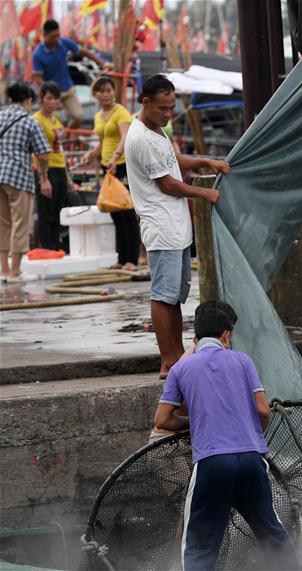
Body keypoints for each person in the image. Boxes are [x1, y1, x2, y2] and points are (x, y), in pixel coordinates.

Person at [153, 300, 298, 570]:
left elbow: (161, 420)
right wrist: (255, 438)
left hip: (212, 462)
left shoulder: (181, 369)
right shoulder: (243, 360)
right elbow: (263, 410)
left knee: (198, 548)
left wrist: (196, 421)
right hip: (251, 461)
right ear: (226, 335)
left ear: (195, 337)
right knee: (273, 535)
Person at [124, 74, 229, 379]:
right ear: (146, 102)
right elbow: (167, 183)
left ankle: (176, 353)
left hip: (175, 226)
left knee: (174, 297)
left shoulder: (156, 130)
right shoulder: (141, 137)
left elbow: (174, 161)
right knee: (162, 295)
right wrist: (204, 193)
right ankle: (168, 359)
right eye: (162, 108)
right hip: (162, 225)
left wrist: (206, 161)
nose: (168, 114)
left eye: (171, 107)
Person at [79, 77, 140, 271]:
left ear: (114, 92)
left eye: (109, 90)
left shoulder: (120, 112)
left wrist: (115, 157)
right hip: (108, 167)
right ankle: (121, 258)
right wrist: (90, 154)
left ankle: (132, 258)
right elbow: (103, 142)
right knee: (114, 212)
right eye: (101, 91)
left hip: (121, 165)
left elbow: (125, 137)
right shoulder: (98, 116)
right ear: (95, 94)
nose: (106, 94)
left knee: (127, 212)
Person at [0, 83, 51, 283]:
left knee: (2, 224)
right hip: (18, 177)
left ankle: (3, 270)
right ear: (28, 101)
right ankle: (15, 272)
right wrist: (43, 172)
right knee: (20, 224)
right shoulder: (29, 122)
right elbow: (43, 153)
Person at [31, 19, 112, 129]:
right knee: (50, 123)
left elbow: (84, 52)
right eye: (53, 36)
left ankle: (65, 139)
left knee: (78, 118)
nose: (56, 39)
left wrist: (102, 63)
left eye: (58, 35)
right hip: (52, 94)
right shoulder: (38, 54)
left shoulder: (64, 42)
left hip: (68, 89)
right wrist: (50, 97)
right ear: (45, 35)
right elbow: (38, 79)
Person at [32, 81, 68, 251]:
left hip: (60, 167)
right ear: (41, 99)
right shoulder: (36, 120)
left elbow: (60, 148)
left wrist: (66, 175)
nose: (52, 102)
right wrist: (42, 178)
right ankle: (46, 248)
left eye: (55, 99)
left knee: (58, 210)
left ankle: (55, 247)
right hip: (45, 169)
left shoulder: (57, 119)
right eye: (49, 98)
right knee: (45, 211)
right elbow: (35, 152)